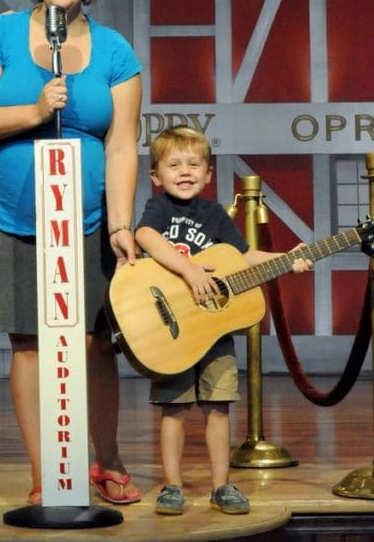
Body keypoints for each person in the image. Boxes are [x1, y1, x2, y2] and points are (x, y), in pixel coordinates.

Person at [0, 0, 143, 506]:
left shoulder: (115, 49)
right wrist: (36, 110)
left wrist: (119, 223)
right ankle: (48, 473)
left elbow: (120, 143)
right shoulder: (1, 33)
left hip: (86, 220)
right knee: (30, 344)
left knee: (93, 342)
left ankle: (105, 461)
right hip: (13, 216)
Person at [132, 126, 313, 516]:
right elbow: (145, 236)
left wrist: (287, 258)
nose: (185, 171)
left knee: (218, 407)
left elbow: (243, 257)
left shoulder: (214, 214)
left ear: (209, 174)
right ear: (156, 176)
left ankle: (221, 485)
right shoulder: (159, 209)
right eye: (174, 164)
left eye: (194, 164)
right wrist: (191, 271)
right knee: (174, 408)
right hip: (174, 332)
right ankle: (172, 486)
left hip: (213, 331)